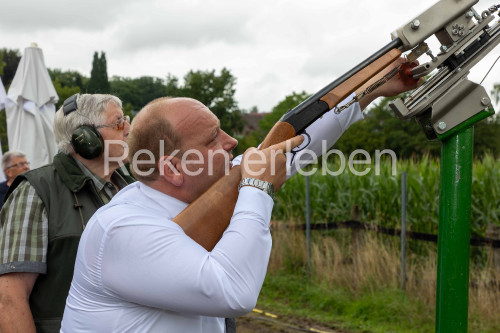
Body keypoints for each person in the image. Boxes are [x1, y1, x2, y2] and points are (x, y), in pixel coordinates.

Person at [60, 59, 419, 332]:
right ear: (172, 169)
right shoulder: (122, 228)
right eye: (213, 138)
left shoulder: (201, 193)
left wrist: (372, 88)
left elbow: (293, 149)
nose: (232, 142)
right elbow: (233, 291)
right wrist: (258, 188)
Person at [0, 94, 136, 333]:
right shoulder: (36, 190)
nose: (128, 129)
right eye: (118, 122)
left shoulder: (131, 189)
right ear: (86, 139)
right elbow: (9, 298)